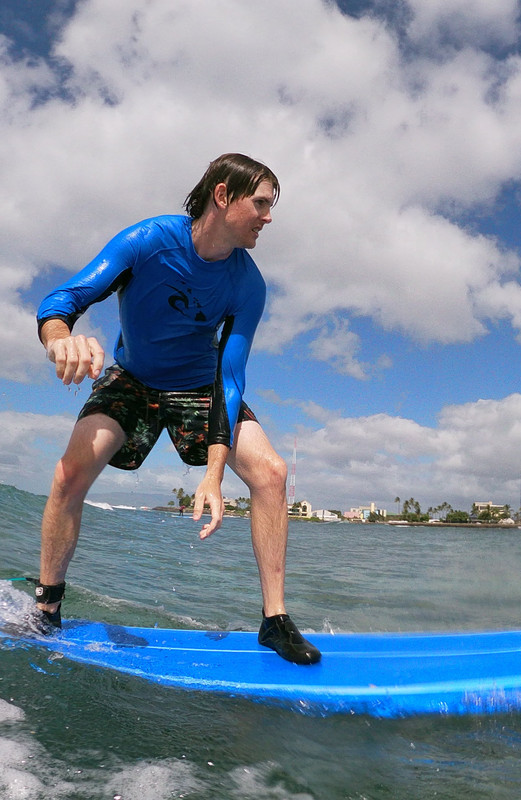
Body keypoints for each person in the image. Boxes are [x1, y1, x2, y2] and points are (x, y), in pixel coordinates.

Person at [32, 153, 320, 665]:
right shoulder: (147, 242)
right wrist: (61, 340)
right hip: (132, 379)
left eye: (272, 206)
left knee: (272, 474)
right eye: (261, 203)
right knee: (68, 473)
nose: (269, 217)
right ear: (223, 195)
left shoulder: (247, 285)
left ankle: (274, 621)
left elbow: (229, 378)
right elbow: (63, 300)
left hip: (200, 384)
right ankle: (47, 606)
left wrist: (214, 474)